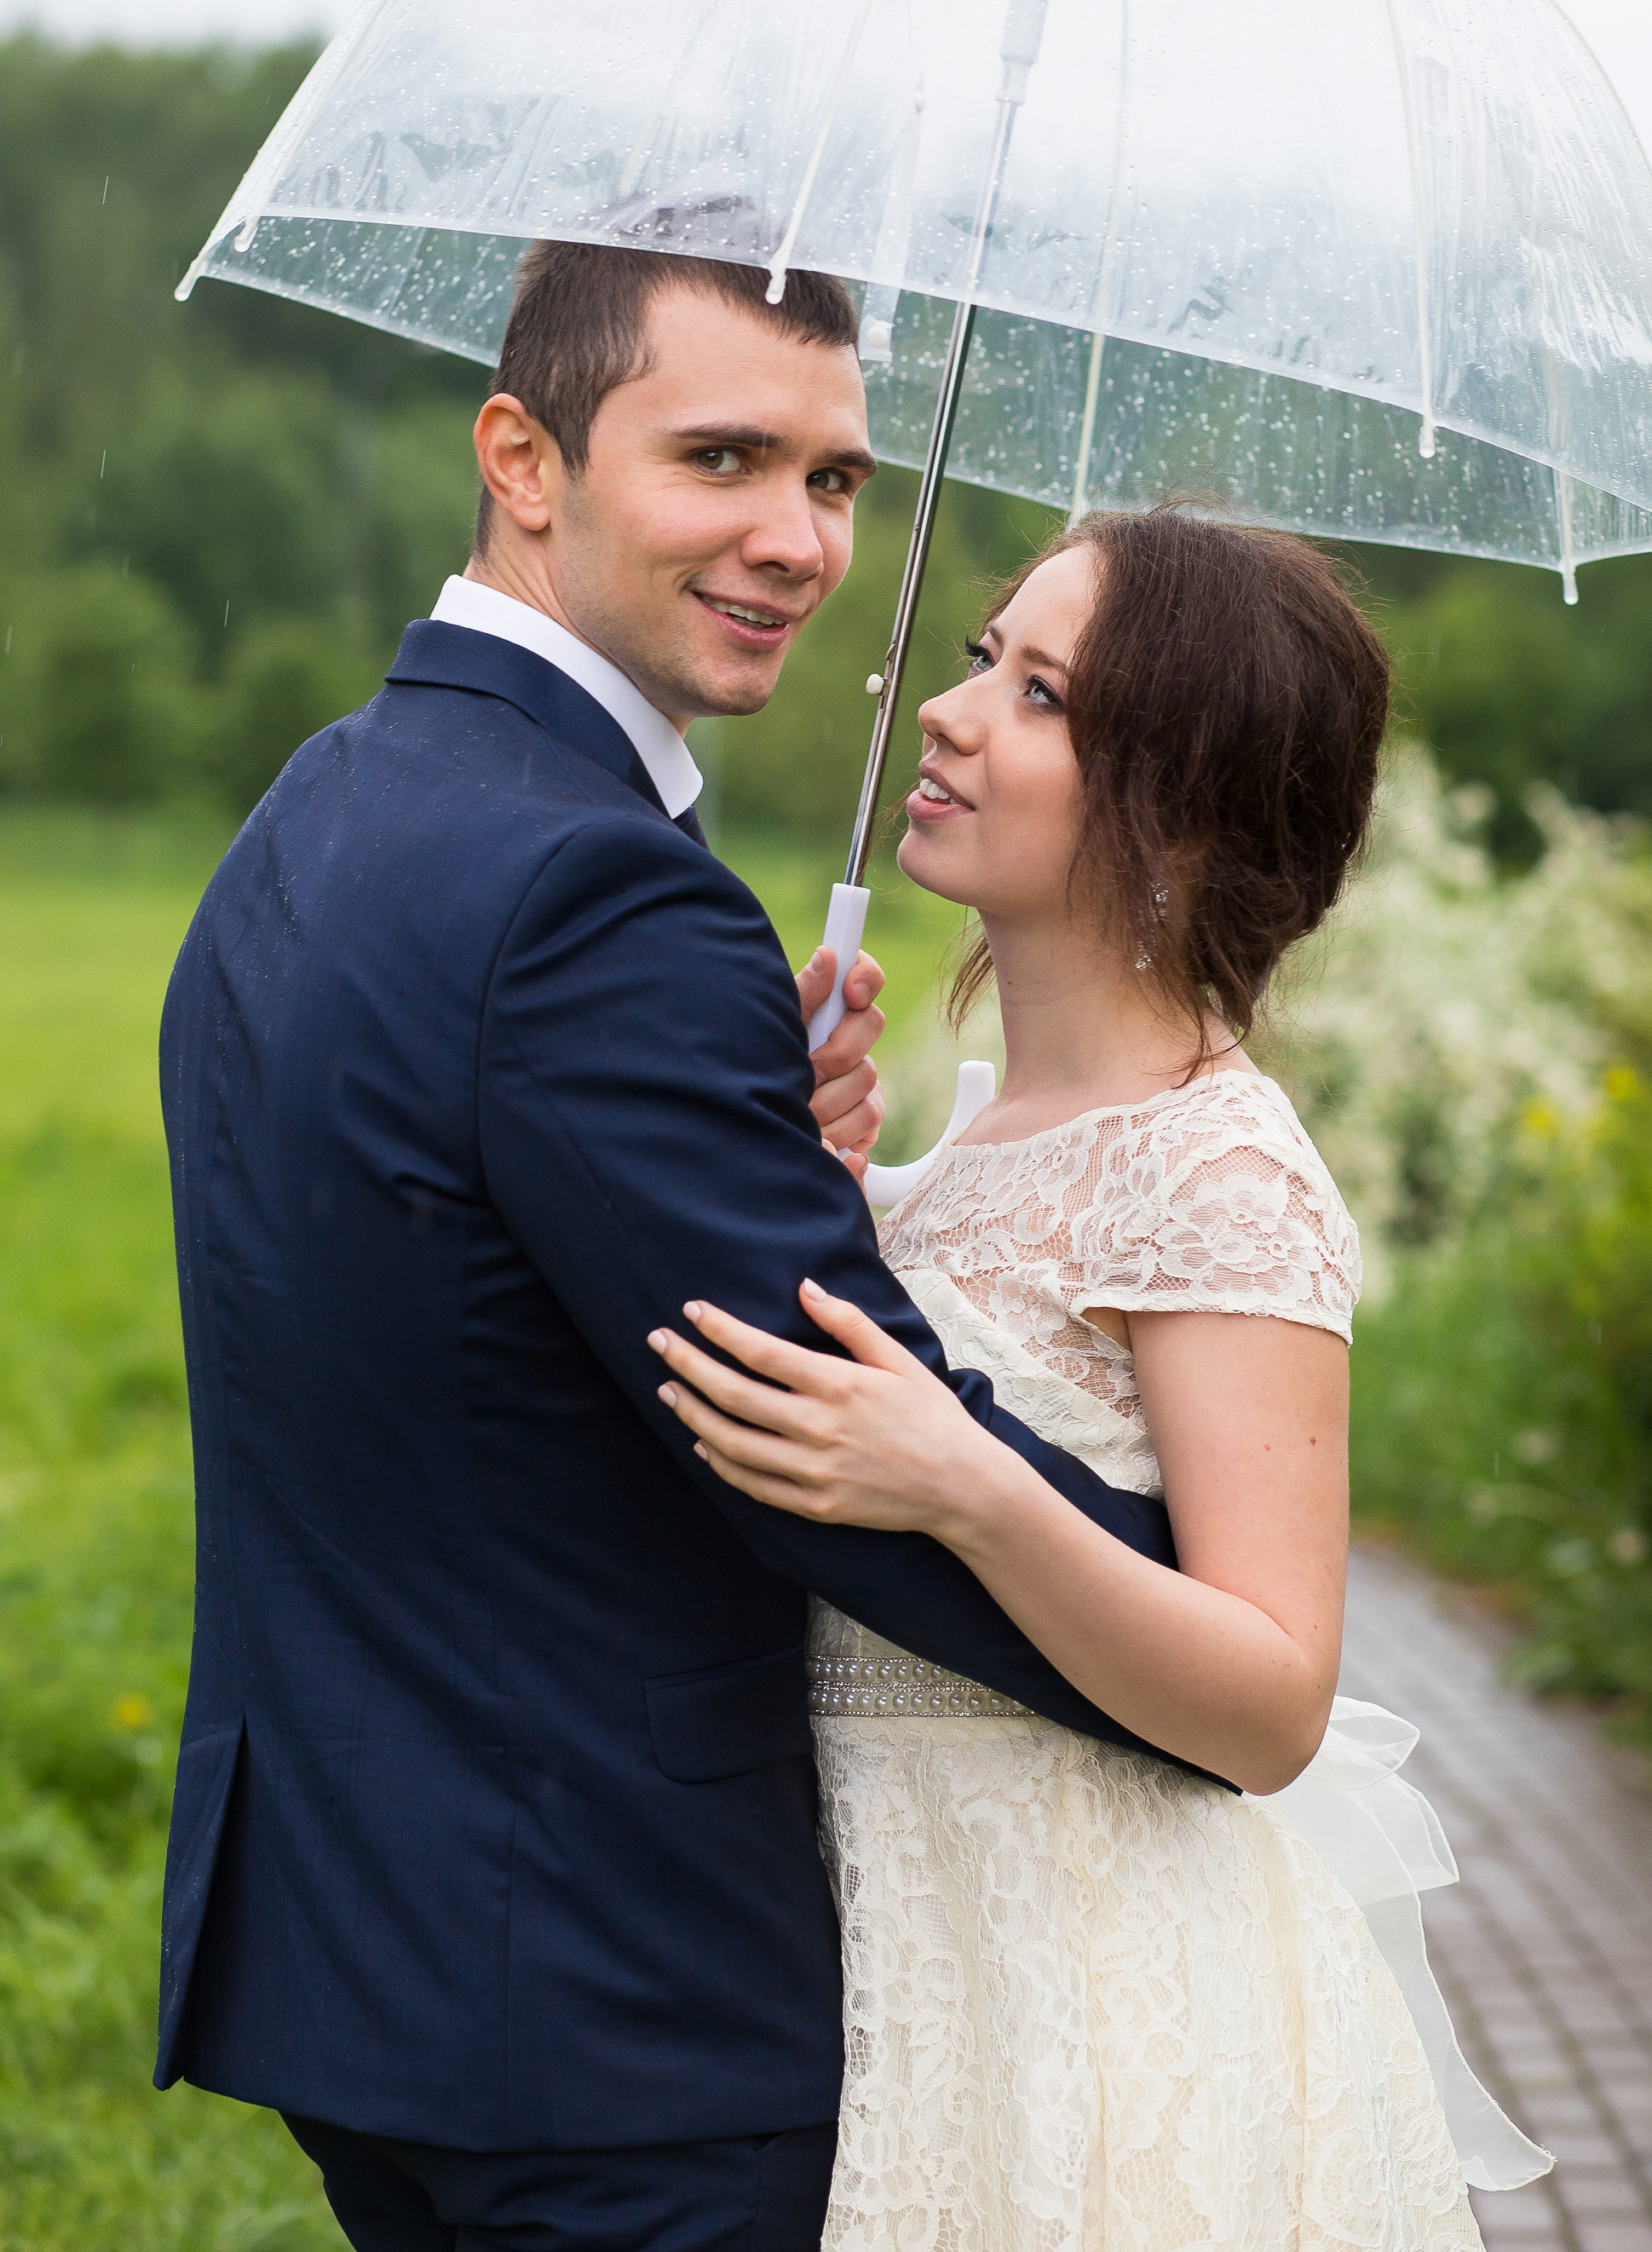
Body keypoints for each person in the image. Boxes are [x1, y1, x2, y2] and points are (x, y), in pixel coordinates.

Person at [156, 244, 1193, 2252]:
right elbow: (818, 1440)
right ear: (521, 456)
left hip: (359, 1941)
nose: (797, 539)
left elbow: (438, 1279)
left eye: (833, 479)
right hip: (606, 1987)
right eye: (723, 456)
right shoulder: (593, 893)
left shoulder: (330, 798)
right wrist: (1180, 1645)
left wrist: (737, 1121)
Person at [651, 505, 1554, 2251]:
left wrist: (968, 1484)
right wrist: (822, 1185)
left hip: (1099, 1996)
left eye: (1043, 692)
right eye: (983, 652)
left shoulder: (1220, 1169)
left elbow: (1275, 1697)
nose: (949, 709)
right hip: (901, 1966)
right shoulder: (971, 1134)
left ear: (1190, 807)